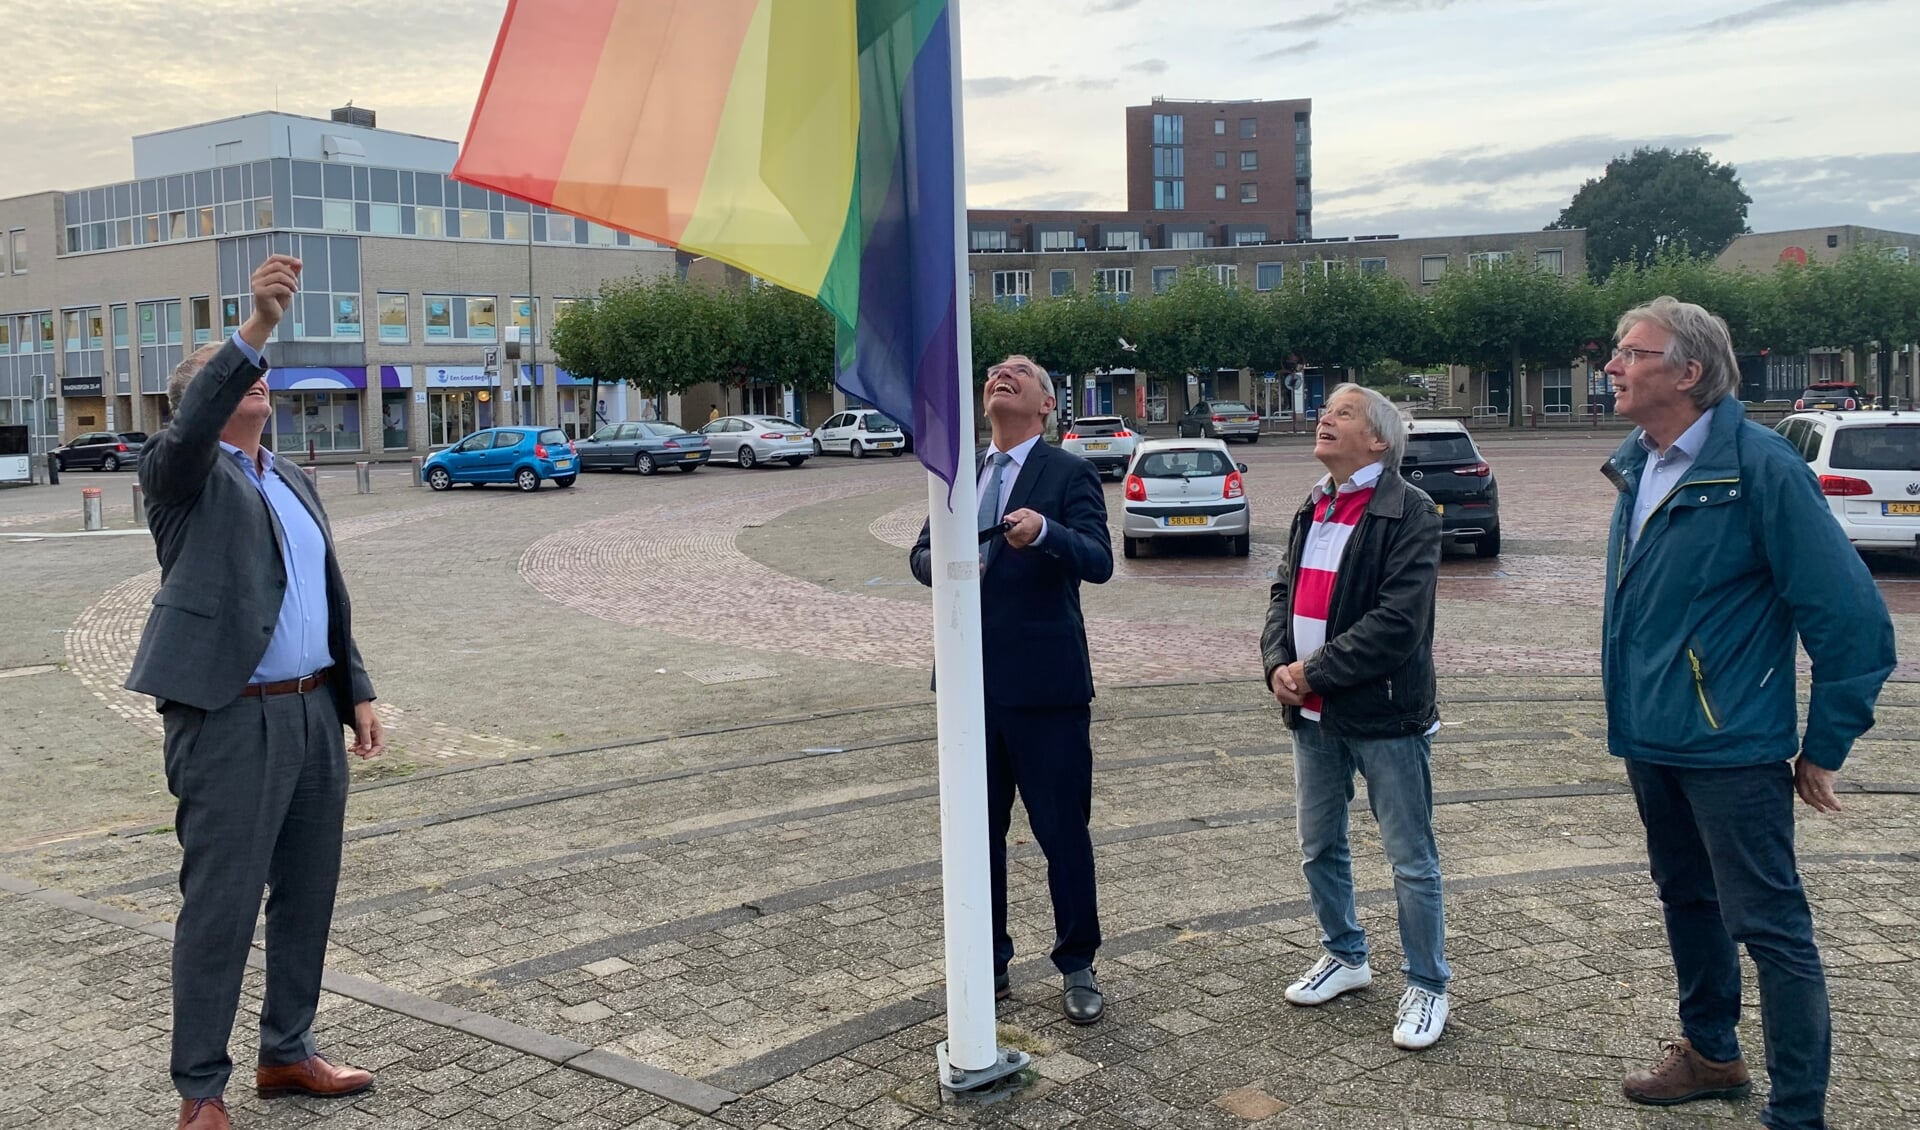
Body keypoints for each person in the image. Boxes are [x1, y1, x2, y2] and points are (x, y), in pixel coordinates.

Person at [1601, 297, 1894, 1129]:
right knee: (1685, 899)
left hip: (1732, 748)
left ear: (1689, 372)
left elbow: (1854, 624)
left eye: (1634, 353)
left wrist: (1824, 745)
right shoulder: (1640, 463)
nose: (1614, 367)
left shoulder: (1762, 467)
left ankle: (1797, 1113)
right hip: (1651, 739)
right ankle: (1711, 1054)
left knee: (1771, 929)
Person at [128, 253, 385, 1130]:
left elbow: (325, 593)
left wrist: (356, 692)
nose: (260, 378)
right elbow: (195, 424)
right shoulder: (181, 474)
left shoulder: (292, 476)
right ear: (197, 401)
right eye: (239, 374)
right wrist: (255, 327)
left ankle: (288, 1052)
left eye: (263, 371)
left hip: (312, 711)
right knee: (223, 906)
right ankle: (201, 1090)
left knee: (308, 891)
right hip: (230, 718)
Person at [909, 354, 1114, 1023]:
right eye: (995, 369)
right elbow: (919, 555)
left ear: (1046, 405)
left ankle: (1077, 962)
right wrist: (943, 562)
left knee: (1062, 833)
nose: (1003, 374)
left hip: (1047, 689)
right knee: (976, 834)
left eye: (1020, 372)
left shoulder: (1069, 472)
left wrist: (1048, 534)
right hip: (970, 687)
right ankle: (987, 960)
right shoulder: (960, 471)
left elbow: (1099, 559)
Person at [1259, 382, 1451, 1050]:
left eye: (1341, 413)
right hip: (1310, 713)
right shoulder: (1314, 504)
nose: (1324, 419)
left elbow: (1398, 624)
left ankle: (1427, 985)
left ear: (1379, 440)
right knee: (1319, 844)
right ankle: (1345, 954)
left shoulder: (1411, 511)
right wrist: (1278, 663)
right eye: (1325, 411)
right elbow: (1283, 589)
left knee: (1410, 858)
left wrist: (1313, 671)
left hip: (1383, 715)